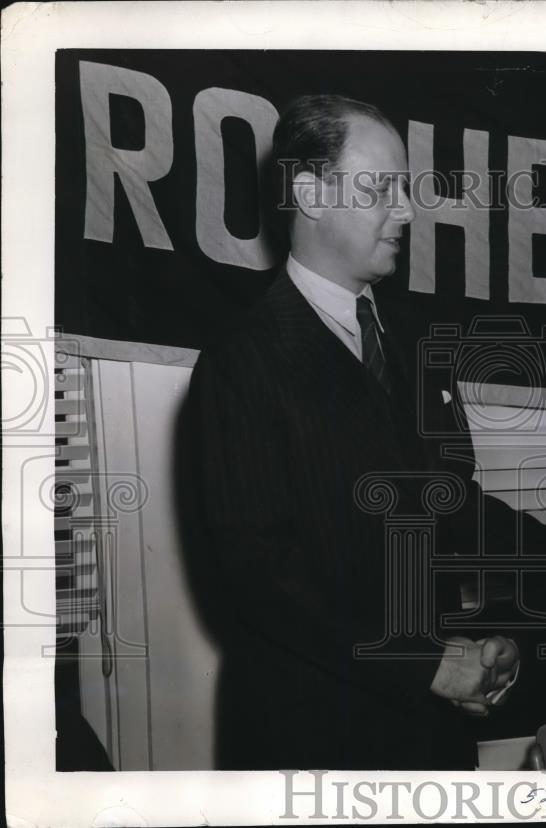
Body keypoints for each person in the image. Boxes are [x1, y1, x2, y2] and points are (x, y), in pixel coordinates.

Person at [182, 94, 519, 770]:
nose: (406, 211)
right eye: (382, 190)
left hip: (434, 734)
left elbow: (451, 508)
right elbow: (260, 576)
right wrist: (424, 663)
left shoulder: (416, 342)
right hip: (316, 741)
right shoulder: (241, 359)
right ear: (309, 194)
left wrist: (497, 628)